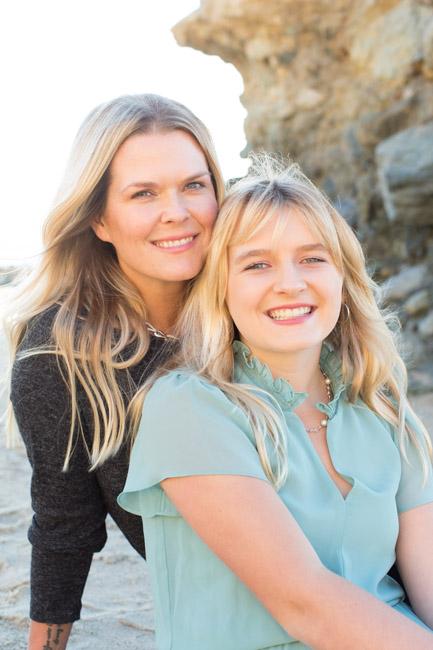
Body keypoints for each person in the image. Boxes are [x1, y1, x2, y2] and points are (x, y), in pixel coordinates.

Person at [119, 154, 433, 649]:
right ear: (221, 289)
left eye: (312, 258)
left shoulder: (379, 401)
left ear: (343, 278)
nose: (290, 282)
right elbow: (305, 605)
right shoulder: (187, 408)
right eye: (257, 264)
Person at [4, 93, 225, 650]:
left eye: (194, 185)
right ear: (99, 218)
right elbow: (64, 527)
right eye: (144, 193)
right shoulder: (59, 354)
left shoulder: (255, 299)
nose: (177, 211)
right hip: (232, 613)